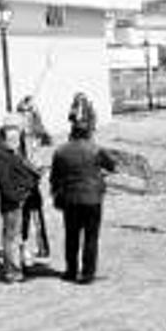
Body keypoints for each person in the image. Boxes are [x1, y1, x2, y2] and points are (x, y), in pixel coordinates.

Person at [50, 94, 116, 284]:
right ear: (88, 132)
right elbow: (112, 165)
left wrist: (57, 195)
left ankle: (71, 271)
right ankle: (87, 274)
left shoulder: (60, 151)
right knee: (91, 237)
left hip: (70, 200)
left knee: (71, 237)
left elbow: (54, 177)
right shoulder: (95, 149)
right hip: (93, 199)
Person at [0, 115, 42, 283]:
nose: (19, 137)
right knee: (11, 238)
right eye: (17, 134)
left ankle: (17, 268)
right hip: (12, 203)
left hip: (17, 200)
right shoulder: (1, 155)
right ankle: (12, 272)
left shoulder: (9, 151)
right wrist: (18, 198)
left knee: (15, 236)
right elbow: (5, 185)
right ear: (9, 135)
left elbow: (19, 170)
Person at [16, 96, 52, 261]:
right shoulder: (19, 133)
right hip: (26, 177)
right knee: (26, 214)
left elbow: (46, 141)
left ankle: (41, 248)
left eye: (27, 111)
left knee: (34, 213)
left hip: (32, 178)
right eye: (23, 112)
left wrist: (39, 169)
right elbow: (21, 158)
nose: (25, 115)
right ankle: (25, 248)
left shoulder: (35, 130)